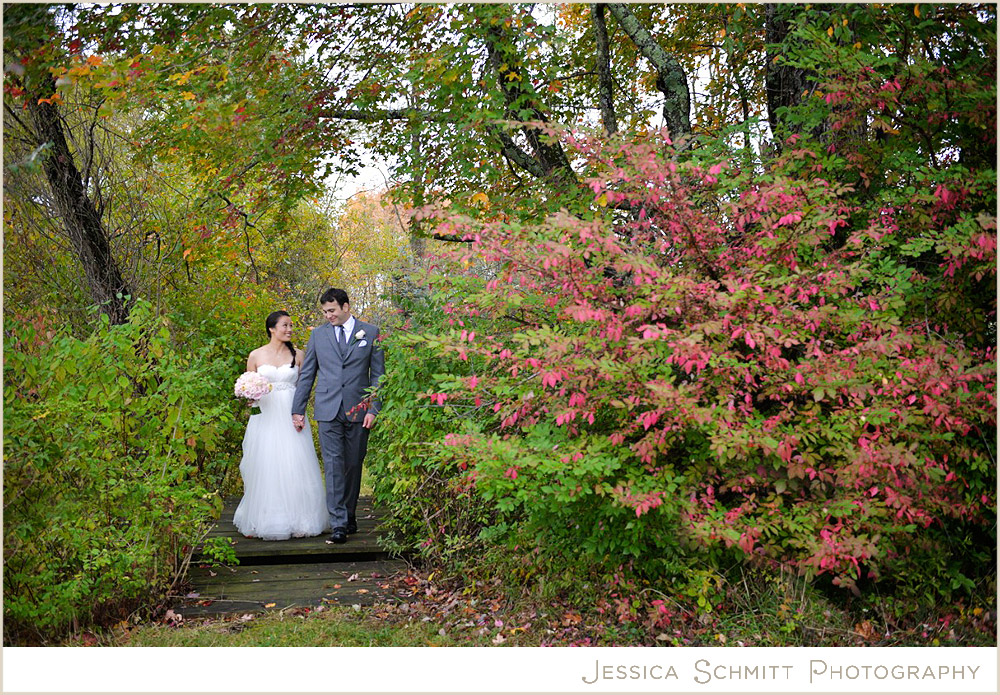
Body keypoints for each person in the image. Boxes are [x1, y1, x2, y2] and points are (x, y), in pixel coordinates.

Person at [292, 288, 385, 544]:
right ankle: (339, 524)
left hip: (359, 409)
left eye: (331, 310)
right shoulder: (318, 336)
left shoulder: (371, 332)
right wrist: (297, 409)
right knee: (333, 465)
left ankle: (349, 513)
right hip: (327, 408)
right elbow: (308, 373)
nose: (328, 316)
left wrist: (373, 408)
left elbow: (378, 375)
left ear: (346, 306)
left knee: (353, 464)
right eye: (324, 312)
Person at [233, 311, 328, 540]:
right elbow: (248, 384)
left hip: (291, 413)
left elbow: (305, 387)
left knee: (294, 462)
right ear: (271, 329)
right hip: (264, 415)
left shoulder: (299, 355)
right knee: (265, 462)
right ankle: (267, 517)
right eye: (285, 325)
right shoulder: (255, 355)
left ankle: (300, 517)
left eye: (291, 325)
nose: (289, 329)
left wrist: (300, 412)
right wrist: (248, 393)